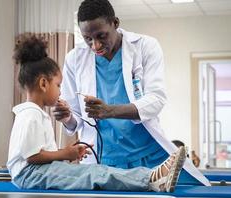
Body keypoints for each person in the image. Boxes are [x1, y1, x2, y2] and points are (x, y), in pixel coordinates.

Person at [52, 0, 210, 186]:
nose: (95, 46)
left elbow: (156, 99)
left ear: (115, 23)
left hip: (149, 156)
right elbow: (77, 116)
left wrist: (110, 111)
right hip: (103, 159)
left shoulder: (145, 46)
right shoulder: (74, 58)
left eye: (101, 36)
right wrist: (66, 117)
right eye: (88, 39)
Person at [7, 36, 186, 192]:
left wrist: (68, 151)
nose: (60, 91)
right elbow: (32, 156)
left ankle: (151, 177)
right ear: (44, 83)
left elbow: (36, 153)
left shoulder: (34, 114)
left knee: (93, 172)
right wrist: (65, 154)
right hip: (30, 175)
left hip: (36, 172)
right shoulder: (30, 114)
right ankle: (151, 179)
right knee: (94, 174)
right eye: (58, 85)